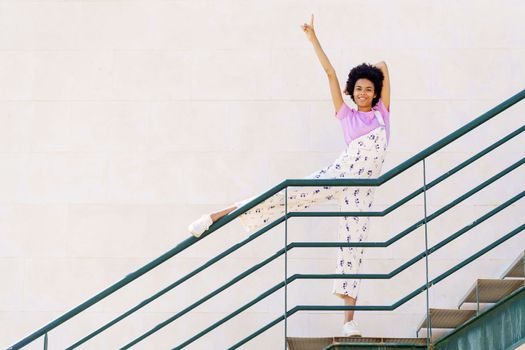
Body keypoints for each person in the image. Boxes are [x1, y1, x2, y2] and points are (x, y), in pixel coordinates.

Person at [187, 14, 390, 337]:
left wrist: (370, 73)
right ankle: (214, 215)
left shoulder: (383, 114)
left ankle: (349, 321)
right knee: (287, 195)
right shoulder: (346, 115)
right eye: (359, 89)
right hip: (340, 174)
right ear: (352, 92)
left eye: (369, 89)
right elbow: (330, 73)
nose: (364, 93)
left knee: (353, 247)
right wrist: (314, 39)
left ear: (376, 93)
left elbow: (382, 65)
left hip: (362, 191)